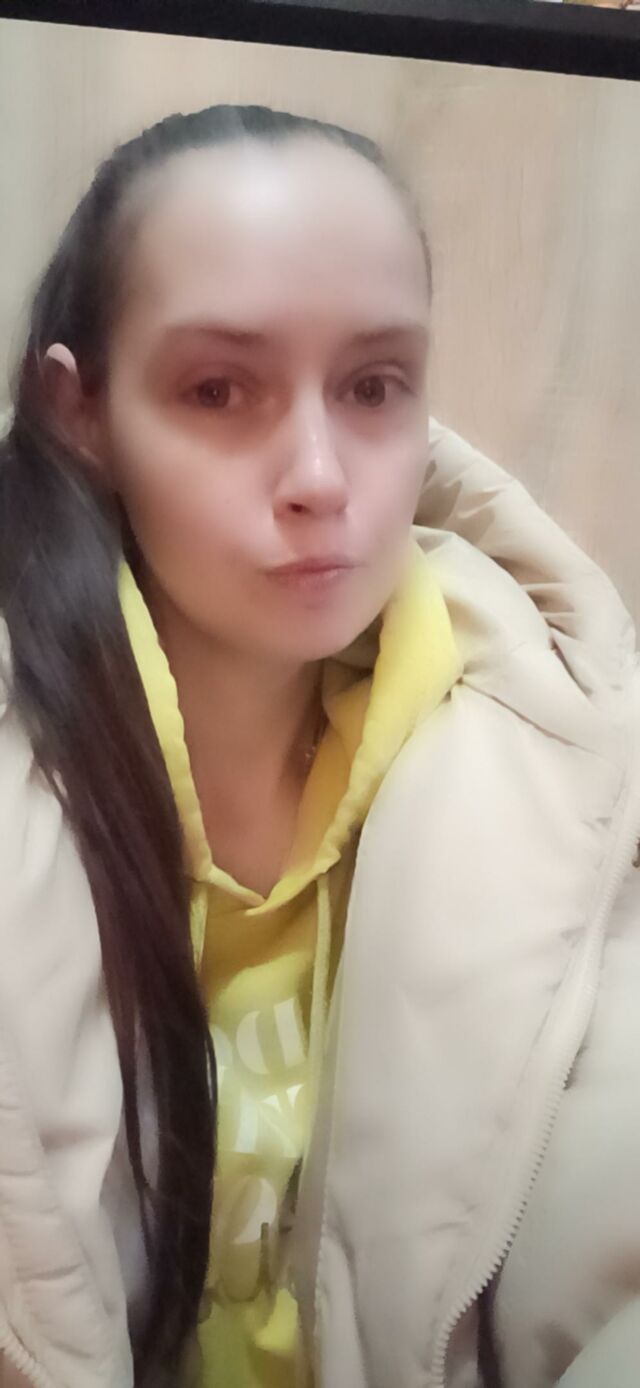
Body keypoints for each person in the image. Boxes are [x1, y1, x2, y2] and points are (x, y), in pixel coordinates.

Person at [0, 103, 639, 1388]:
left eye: (372, 387)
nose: (319, 475)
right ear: (83, 415)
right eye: (218, 389)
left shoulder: (557, 749)